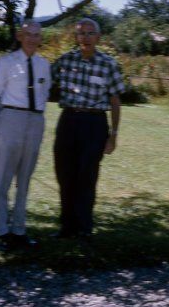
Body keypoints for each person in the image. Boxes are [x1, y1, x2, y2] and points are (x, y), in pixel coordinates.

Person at [51, 18, 125, 240]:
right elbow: (42, 80)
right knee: (64, 175)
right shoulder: (64, 61)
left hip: (94, 124)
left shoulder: (108, 64)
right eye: (81, 34)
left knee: (87, 177)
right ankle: (67, 227)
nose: (86, 38)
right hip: (68, 121)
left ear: (98, 37)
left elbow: (115, 101)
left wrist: (113, 135)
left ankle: (84, 228)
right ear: (76, 37)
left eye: (90, 33)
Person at [0, 20, 51, 251]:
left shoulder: (44, 65)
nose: (32, 38)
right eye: (28, 34)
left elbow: (44, 94)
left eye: (36, 35)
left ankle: (19, 230)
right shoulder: (6, 63)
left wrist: (37, 121)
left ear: (41, 39)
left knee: (24, 181)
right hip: (10, 120)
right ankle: (0, 231)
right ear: (20, 36)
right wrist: (0, 125)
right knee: (3, 181)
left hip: (35, 121)